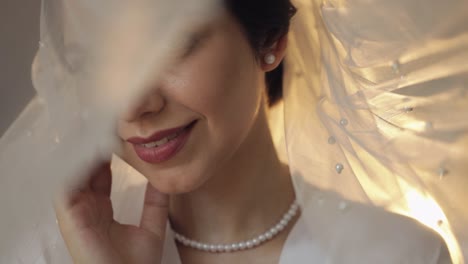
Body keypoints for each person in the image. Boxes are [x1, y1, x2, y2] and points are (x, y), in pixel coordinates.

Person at [1, 0, 466, 263]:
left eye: (166, 47)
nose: (132, 105)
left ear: (270, 40)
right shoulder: (46, 251)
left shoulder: (399, 257)